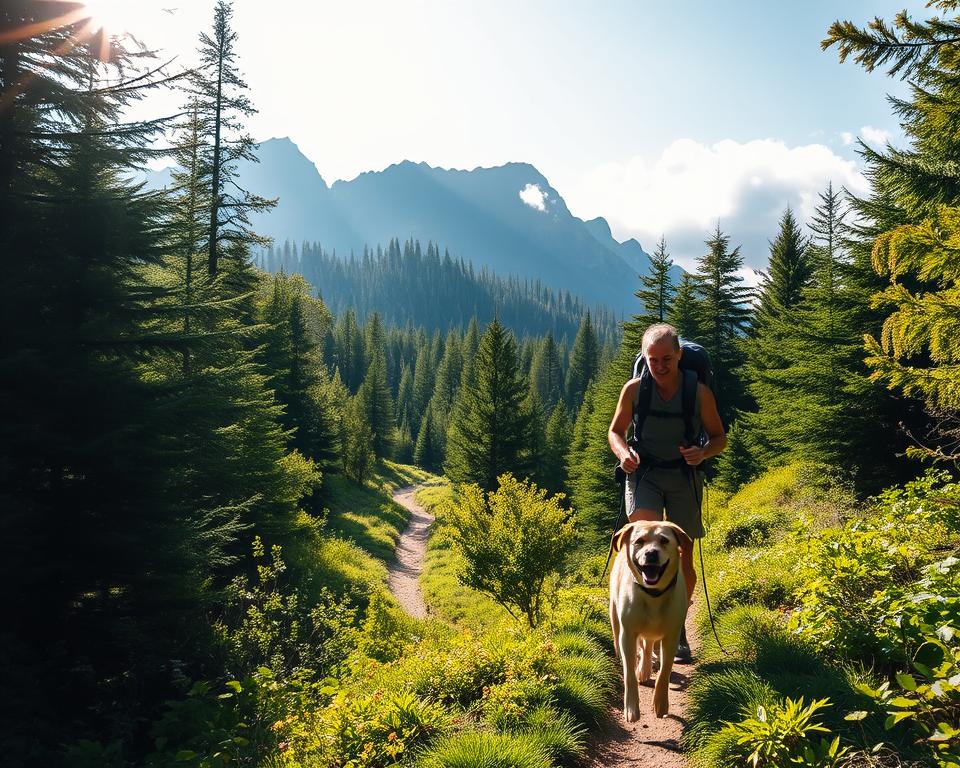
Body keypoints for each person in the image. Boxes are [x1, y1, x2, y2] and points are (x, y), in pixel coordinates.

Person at [607, 322, 726, 662]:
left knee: (682, 554)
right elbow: (616, 432)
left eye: (667, 359)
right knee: (643, 543)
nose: (659, 367)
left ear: (680, 356)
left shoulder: (698, 392)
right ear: (645, 358)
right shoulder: (634, 389)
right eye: (652, 359)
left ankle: (678, 627)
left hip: (683, 477)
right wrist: (623, 453)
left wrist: (702, 452)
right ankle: (641, 622)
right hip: (643, 474)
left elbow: (719, 437)